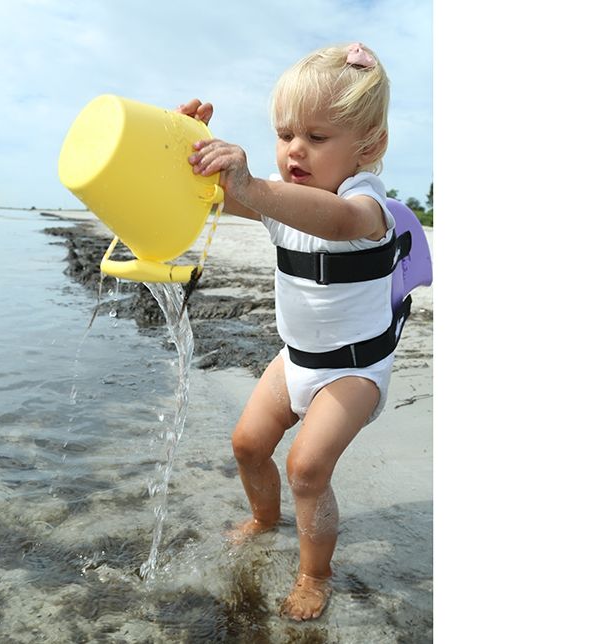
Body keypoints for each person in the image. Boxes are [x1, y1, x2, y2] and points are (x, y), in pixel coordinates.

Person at [179, 42, 394, 621]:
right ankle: (262, 518)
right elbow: (212, 193)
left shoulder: (365, 203)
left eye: (318, 139)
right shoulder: (277, 198)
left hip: (352, 369)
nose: (295, 150)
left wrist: (253, 187)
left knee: (306, 468)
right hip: (296, 358)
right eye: (285, 134)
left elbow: (338, 221)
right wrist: (184, 149)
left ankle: (313, 573)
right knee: (247, 445)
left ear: (367, 146)